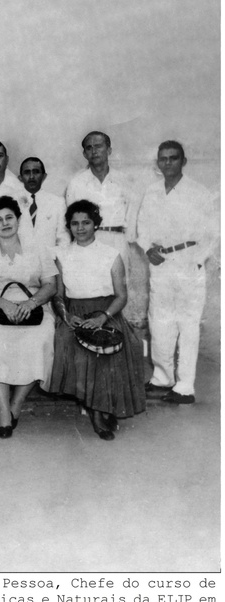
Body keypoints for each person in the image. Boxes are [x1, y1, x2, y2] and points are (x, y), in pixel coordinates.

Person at [50, 200, 146, 440]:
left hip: (106, 311)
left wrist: (103, 317)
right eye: (75, 223)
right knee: (71, 342)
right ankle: (96, 412)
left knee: (116, 346)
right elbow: (58, 295)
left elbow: (122, 296)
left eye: (86, 222)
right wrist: (66, 316)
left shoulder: (110, 254)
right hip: (74, 312)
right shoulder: (61, 255)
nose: (80, 228)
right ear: (69, 227)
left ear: (96, 225)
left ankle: (104, 405)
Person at [136, 140, 219, 404]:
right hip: (160, 262)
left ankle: (184, 387)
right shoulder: (152, 192)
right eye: (163, 158)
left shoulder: (198, 192)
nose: (168, 162)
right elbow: (142, 228)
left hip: (188, 261)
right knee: (159, 322)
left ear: (183, 161)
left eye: (173, 158)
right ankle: (162, 378)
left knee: (187, 324)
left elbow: (213, 232)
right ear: (157, 162)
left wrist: (197, 260)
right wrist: (147, 248)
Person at [0, 196, 57, 438]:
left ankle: (16, 403)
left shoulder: (38, 248)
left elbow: (50, 285)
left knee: (42, 335)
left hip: (33, 306)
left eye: (9, 217)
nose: (5, 223)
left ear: (18, 219)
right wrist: (3, 304)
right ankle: (3, 410)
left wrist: (31, 302)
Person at [65, 131, 138, 248]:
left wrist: (129, 243)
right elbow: (71, 220)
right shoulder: (75, 184)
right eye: (89, 148)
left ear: (109, 150)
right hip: (88, 243)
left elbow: (132, 217)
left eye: (98, 146)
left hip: (119, 242)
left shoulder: (124, 181)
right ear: (84, 154)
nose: (94, 151)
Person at [18, 156, 69, 255]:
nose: (31, 177)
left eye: (36, 172)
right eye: (27, 172)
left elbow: (63, 239)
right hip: (20, 262)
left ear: (44, 176)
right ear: (20, 178)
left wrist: (57, 260)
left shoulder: (57, 202)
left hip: (48, 262)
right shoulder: (11, 202)